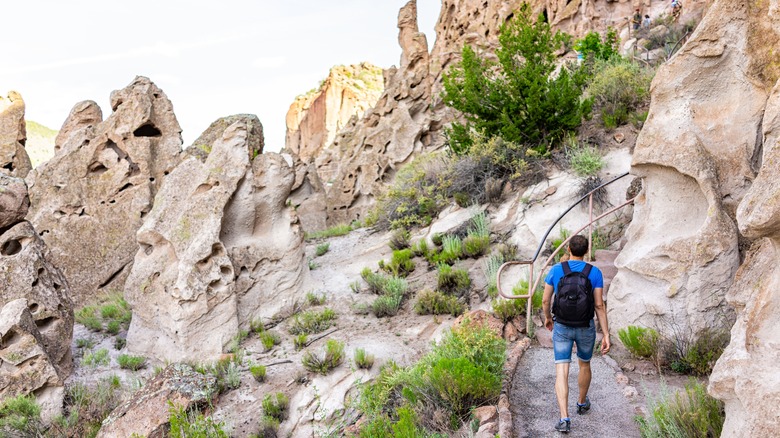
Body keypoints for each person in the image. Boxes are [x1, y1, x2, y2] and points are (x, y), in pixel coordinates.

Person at [542, 235, 611, 433]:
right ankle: (581, 403)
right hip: (585, 326)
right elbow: (599, 304)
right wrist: (605, 334)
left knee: (561, 370)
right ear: (586, 251)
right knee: (584, 364)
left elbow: (546, 300)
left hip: (562, 326)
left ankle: (564, 418)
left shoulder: (556, 270)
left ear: (569, 249)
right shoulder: (594, 272)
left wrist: (548, 318)